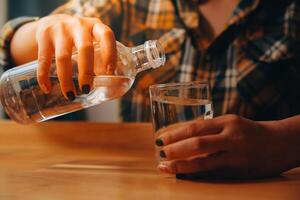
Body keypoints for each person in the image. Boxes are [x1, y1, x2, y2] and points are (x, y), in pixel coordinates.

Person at [0, 0, 299, 179]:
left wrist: (285, 140)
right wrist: (44, 29)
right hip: (153, 185)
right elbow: (16, 45)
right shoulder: (131, 3)